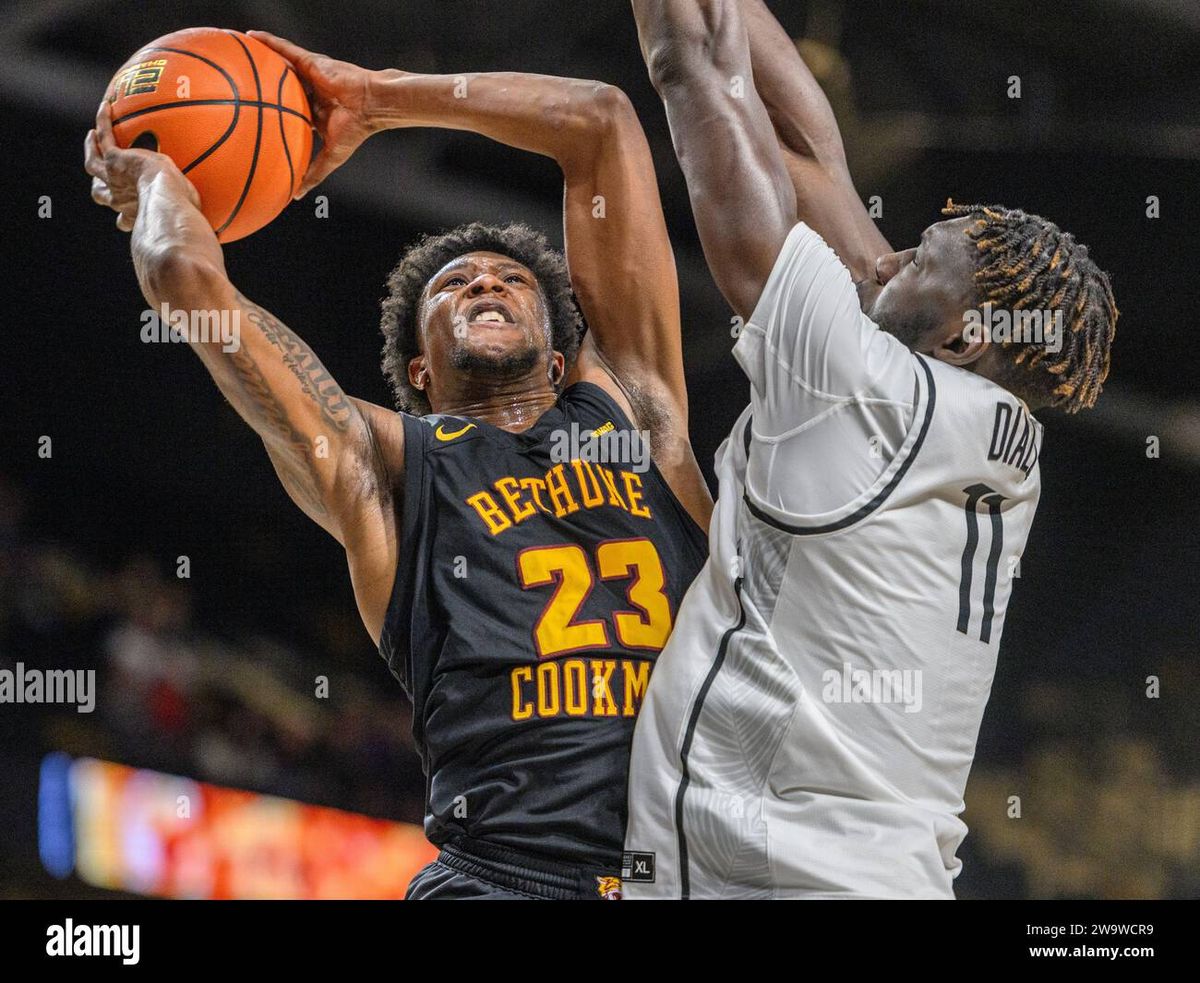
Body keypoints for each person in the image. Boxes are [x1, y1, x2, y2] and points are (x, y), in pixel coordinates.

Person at [85, 35, 711, 900]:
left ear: (564, 358)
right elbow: (187, 280)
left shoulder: (636, 412)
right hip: (509, 878)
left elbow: (599, 122)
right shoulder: (386, 469)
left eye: (512, 278)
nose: (488, 283)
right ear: (419, 369)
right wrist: (158, 179)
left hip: (698, 875)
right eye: (455, 285)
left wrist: (376, 97)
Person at [623, 0, 1118, 898]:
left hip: (787, 876)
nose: (883, 260)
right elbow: (815, 164)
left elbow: (689, 63)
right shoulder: (987, 429)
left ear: (966, 337)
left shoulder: (870, 391)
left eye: (915, 260)